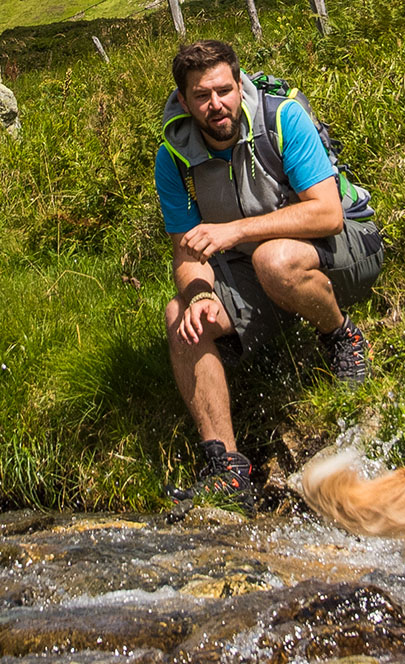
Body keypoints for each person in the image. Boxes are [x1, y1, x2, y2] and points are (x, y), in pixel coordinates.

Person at [154, 40, 383, 507]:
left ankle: (342, 338)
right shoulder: (174, 156)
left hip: (344, 247)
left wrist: (234, 231)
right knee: (180, 317)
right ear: (184, 101)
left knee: (273, 259)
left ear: (239, 85)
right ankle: (228, 469)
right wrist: (198, 295)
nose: (216, 104)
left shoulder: (282, 119)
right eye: (202, 95)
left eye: (224, 89)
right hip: (253, 266)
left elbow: (327, 214)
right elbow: (186, 249)